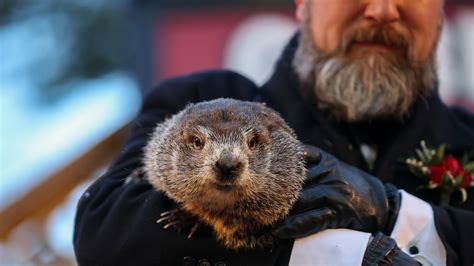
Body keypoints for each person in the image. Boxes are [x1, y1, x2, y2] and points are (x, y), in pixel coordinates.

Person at [73, 0, 474, 265]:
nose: (383, 9)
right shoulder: (197, 97)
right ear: (303, 4)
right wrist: (340, 253)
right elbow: (108, 231)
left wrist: (396, 211)